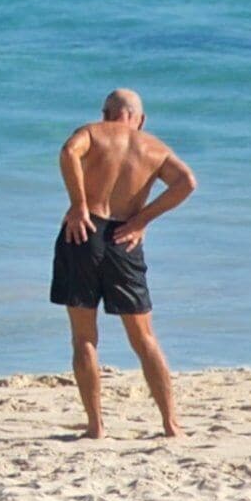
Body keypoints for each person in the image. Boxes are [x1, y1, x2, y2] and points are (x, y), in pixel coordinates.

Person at [49, 88, 193, 439]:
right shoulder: (154, 148)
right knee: (144, 339)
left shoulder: (93, 132)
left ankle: (96, 426)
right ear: (139, 119)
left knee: (84, 337)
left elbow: (69, 152)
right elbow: (186, 182)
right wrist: (142, 220)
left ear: (106, 113)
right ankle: (170, 424)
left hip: (82, 233)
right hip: (125, 239)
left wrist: (79, 204)